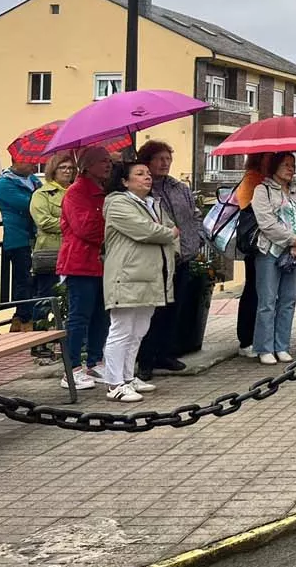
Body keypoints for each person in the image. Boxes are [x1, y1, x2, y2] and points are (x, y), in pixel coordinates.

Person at [99, 160, 178, 403]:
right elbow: (147, 230)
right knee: (122, 328)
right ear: (124, 181)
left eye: (147, 173)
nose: (147, 177)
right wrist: (168, 233)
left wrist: (168, 231)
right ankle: (114, 383)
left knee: (139, 329)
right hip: (128, 275)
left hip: (149, 275)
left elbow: (169, 226)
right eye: (139, 174)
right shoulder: (118, 203)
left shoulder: (152, 203)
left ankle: (127, 375)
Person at [135, 140, 199, 378]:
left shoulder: (179, 187)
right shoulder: (144, 189)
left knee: (175, 307)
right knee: (154, 310)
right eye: (159, 159)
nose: (165, 163)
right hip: (157, 257)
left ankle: (165, 353)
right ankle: (146, 359)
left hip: (183, 255)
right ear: (147, 161)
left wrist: (197, 238)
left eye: (168, 159)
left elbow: (193, 215)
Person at [56, 146, 112, 392]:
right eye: (103, 161)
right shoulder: (77, 192)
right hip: (80, 262)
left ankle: (95, 361)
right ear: (87, 166)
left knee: (101, 313)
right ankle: (72, 369)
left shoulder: (102, 192)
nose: (108, 165)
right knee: (79, 316)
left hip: (100, 263)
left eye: (109, 161)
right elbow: (85, 228)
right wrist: (112, 229)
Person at [250, 152, 296, 364]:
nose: (290, 168)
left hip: (295, 254)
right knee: (268, 301)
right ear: (274, 167)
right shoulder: (262, 190)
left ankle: (282, 345)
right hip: (270, 252)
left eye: (292, 164)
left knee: (287, 300)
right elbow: (266, 223)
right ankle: (264, 347)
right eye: (286, 164)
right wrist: (292, 240)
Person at [28, 153, 75, 338]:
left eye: (70, 168)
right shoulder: (42, 194)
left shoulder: (75, 192)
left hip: (73, 251)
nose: (67, 171)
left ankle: (64, 338)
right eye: (62, 168)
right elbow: (44, 221)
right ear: (53, 171)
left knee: (72, 297)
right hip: (50, 250)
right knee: (45, 296)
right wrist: (72, 224)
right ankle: (39, 340)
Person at [0, 152, 41, 332]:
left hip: (35, 236)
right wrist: (43, 200)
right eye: (30, 161)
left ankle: (24, 317)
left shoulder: (33, 180)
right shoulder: (5, 183)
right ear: (17, 161)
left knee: (36, 279)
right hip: (18, 238)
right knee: (24, 280)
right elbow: (29, 204)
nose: (34, 164)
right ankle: (23, 320)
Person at [232, 155, 270, 357]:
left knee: (263, 292)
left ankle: (258, 336)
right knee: (253, 291)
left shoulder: (265, 179)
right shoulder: (253, 179)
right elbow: (250, 208)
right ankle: (246, 338)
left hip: (268, 243)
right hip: (256, 243)